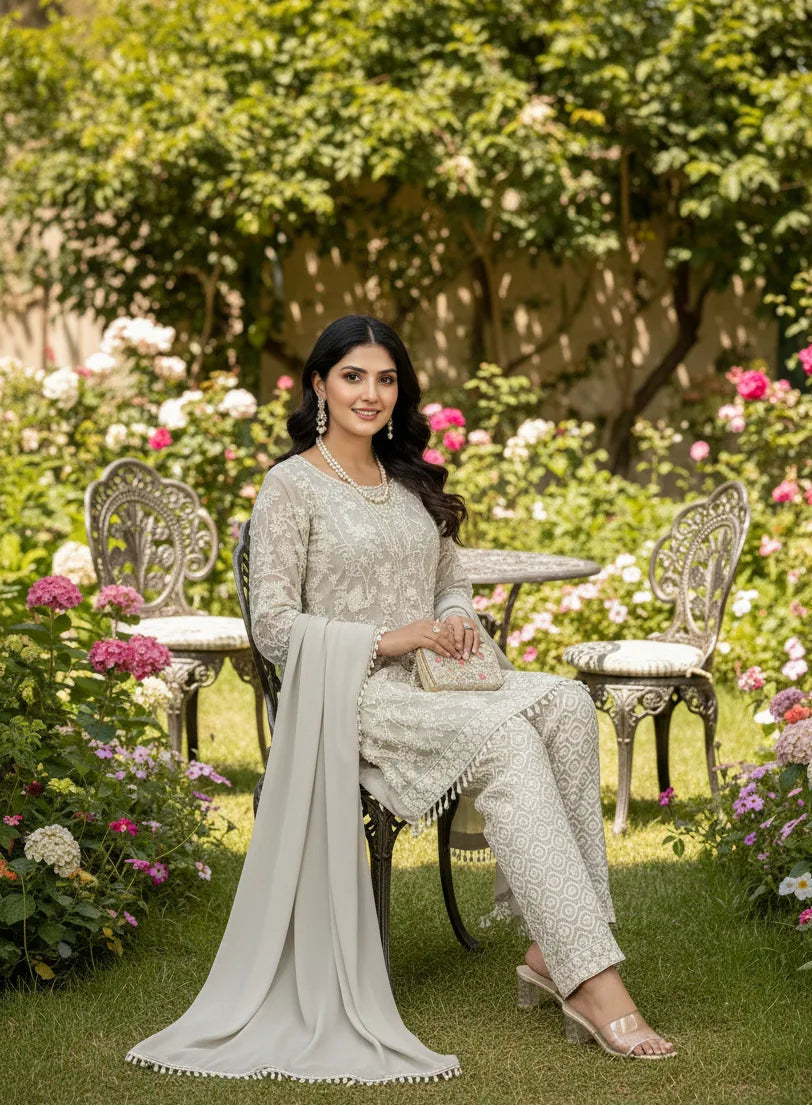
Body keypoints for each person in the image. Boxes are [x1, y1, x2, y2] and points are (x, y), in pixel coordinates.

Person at [125, 314, 674, 1087]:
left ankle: (552, 949)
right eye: (353, 375)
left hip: (434, 680)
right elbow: (276, 627)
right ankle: (591, 978)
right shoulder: (291, 485)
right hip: (350, 694)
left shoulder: (408, 477)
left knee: (563, 705)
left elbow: (451, 580)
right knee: (511, 742)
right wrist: (391, 637)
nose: (371, 393)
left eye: (386, 379)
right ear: (319, 383)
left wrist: (450, 618)